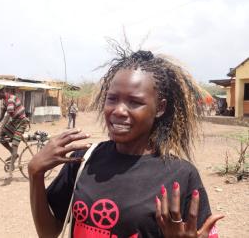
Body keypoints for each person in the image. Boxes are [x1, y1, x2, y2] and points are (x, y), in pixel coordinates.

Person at [28, 49, 223, 237]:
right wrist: (35, 173)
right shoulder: (83, 160)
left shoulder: (180, 175)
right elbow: (49, 232)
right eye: (112, 99)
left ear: (160, 108)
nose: (119, 110)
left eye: (134, 102)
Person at [0, 84, 29, 183]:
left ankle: (10, 172)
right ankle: (13, 154)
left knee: (15, 144)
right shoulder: (4, 101)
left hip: (22, 122)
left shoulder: (10, 99)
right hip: (14, 122)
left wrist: (0, 127)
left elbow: (8, 115)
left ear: (1, 92)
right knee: (1, 137)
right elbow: (1, 116)